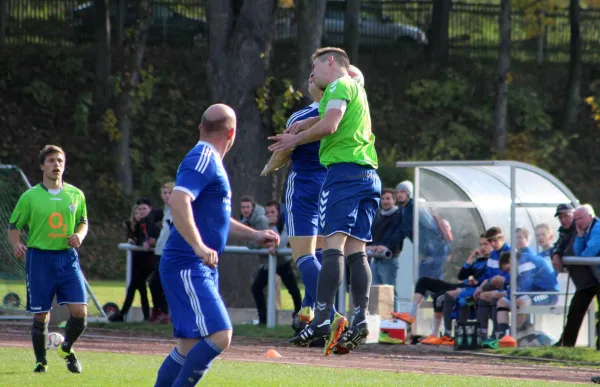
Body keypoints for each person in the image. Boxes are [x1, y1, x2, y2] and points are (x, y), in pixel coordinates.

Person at [154, 104, 279, 386]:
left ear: (201, 128)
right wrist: (198, 246)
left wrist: (255, 235)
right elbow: (177, 200)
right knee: (221, 334)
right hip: (188, 262)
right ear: (232, 133)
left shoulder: (210, 161)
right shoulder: (202, 156)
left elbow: (217, 220)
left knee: (188, 347)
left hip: (196, 263)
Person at [269, 47, 380, 355]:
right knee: (357, 251)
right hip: (368, 174)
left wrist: (293, 139)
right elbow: (328, 118)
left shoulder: (339, 85)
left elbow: (329, 124)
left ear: (329, 62)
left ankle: (321, 318)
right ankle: (360, 319)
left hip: (342, 174)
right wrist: (304, 127)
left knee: (331, 249)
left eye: (313, 67)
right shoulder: (356, 89)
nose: (311, 74)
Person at [7, 145, 88, 373]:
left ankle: (66, 348)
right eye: (51, 161)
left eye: (60, 161)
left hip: (67, 258)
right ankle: (40, 361)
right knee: (42, 314)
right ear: (43, 166)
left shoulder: (75, 194)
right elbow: (14, 226)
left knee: (80, 312)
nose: (56, 165)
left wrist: (79, 235)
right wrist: (17, 244)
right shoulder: (30, 197)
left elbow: (83, 220)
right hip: (39, 259)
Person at [251, 200, 302, 325]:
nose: (270, 215)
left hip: (283, 262)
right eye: (267, 212)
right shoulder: (261, 223)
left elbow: (284, 238)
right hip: (268, 263)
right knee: (256, 288)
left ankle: (299, 317)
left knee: (294, 290)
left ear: (278, 212)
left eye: (272, 212)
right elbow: (255, 241)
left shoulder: (284, 222)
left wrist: (275, 246)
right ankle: (263, 319)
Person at [110, 199, 159, 322]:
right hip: (139, 262)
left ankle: (122, 314)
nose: (141, 212)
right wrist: (138, 241)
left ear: (150, 210)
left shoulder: (152, 222)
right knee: (140, 289)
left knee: (134, 287)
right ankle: (146, 316)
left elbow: (151, 237)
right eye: (139, 209)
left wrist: (147, 241)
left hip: (148, 261)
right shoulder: (139, 224)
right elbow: (141, 238)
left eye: (144, 209)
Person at [150, 181, 174, 323]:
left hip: (169, 252)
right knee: (155, 283)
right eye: (164, 193)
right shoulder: (166, 209)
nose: (166, 196)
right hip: (160, 251)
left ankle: (163, 312)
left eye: (169, 193)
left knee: (158, 282)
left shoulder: (177, 208)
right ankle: (160, 311)